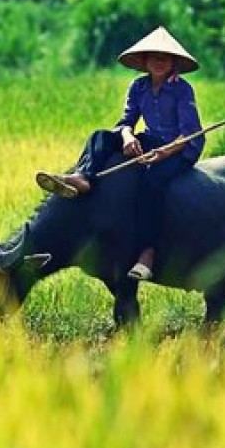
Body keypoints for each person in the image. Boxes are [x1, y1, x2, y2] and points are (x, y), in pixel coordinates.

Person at [35, 26, 204, 281]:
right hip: (151, 140)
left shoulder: (182, 89)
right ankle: (84, 177)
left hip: (181, 149)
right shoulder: (138, 87)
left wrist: (164, 153)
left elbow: (190, 133)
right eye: (154, 57)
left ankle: (148, 253)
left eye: (165, 57)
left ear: (173, 63)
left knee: (151, 183)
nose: (159, 62)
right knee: (101, 137)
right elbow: (126, 122)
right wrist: (128, 137)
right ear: (144, 61)